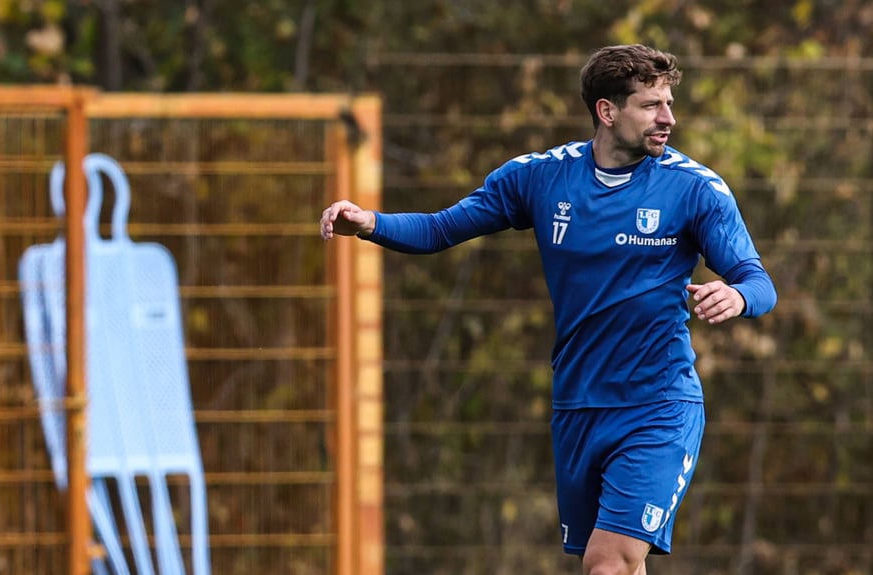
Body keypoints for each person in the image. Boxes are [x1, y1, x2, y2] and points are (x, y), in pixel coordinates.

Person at [320, 44, 777, 575]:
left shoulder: (695, 189)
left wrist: (738, 296)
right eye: (651, 105)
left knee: (607, 564)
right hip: (578, 406)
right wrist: (371, 223)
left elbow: (758, 280)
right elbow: (443, 228)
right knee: (619, 566)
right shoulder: (540, 178)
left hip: (658, 405)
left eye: (669, 103)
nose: (668, 118)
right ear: (608, 112)